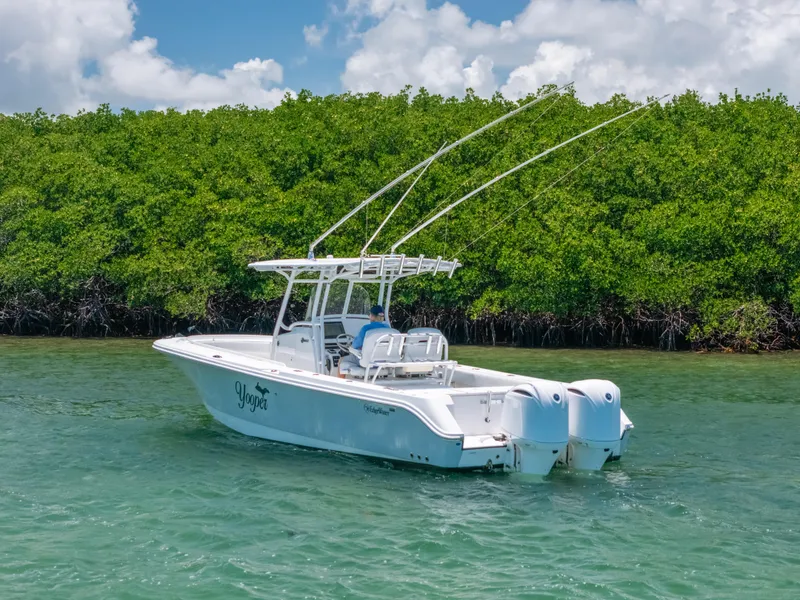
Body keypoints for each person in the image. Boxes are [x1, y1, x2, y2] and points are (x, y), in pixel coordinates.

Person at [337, 305, 389, 378]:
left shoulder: (366, 328)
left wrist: (350, 347)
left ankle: (340, 384)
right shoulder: (388, 328)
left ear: (373, 316)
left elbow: (355, 345)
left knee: (342, 360)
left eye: (370, 315)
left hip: (367, 361)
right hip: (382, 361)